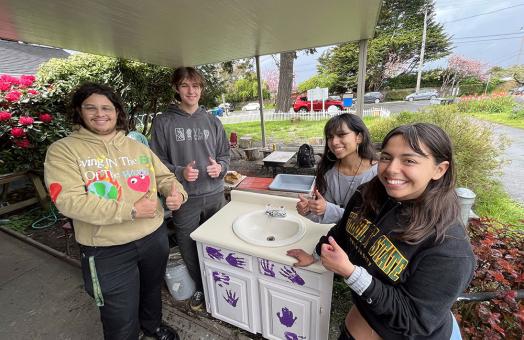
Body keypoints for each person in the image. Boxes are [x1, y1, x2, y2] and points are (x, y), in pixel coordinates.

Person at [287, 123, 476, 340]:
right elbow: (342, 233)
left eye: (409, 160)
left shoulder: (449, 248)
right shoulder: (367, 196)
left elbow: (415, 321)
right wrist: (316, 254)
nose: (392, 169)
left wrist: (351, 273)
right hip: (357, 325)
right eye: (386, 157)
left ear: (439, 169)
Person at [44, 83, 187, 340]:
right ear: (80, 111)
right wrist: (130, 210)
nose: (100, 114)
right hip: (105, 248)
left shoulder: (137, 147)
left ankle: (152, 326)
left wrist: (176, 193)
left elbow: (165, 177)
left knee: (151, 291)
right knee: (118, 313)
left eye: (106, 108)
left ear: (117, 112)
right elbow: (68, 201)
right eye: (91, 108)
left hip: (153, 237)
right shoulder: (64, 150)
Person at [150, 67, 230, 311]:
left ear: (201, 89)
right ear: (176, 88)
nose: (191, 91)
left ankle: (224, 285)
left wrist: (221, 168)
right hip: (185, 199)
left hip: (215, 194)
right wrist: (179, 172)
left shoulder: (212, 121)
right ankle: (202, 288)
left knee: (220, 242)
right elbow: (155, 161)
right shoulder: (164, 122)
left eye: (195, 86)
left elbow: (224, 154)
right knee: (189, 246)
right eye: (185, 86)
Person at [296, 113, 377, 224]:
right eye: (330, 137)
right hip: (338, 237)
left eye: (341, 134)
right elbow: (327, 215)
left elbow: (371, 222)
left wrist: (328, 209)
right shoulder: (328, 172)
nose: (334, 142)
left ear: (359, 137)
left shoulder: (378, 173)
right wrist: (309, 210)